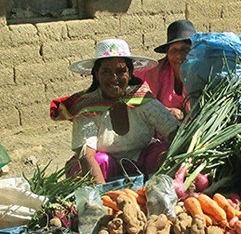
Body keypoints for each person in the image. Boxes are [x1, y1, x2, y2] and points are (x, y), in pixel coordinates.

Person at [52, 39, 179, 184]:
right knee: (100, 160)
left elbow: (174, 132)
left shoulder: (141, 99)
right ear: (96, 74)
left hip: (139, 163)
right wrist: (103, 197)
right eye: (106, 72)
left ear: (130, 73)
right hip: (100, 169)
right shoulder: (88, 107)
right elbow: (87, 157)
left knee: (161, 151)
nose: (114, 78)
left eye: (120, 71)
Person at [135, 19, 194, 120]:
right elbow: (135, 95)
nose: (179, 55)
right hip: (163, 132)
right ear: (167, 54)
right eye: (173, 50)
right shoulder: (156, 72)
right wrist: (164, 110)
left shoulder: (204, 73)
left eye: (185, 49)